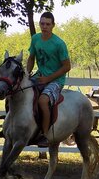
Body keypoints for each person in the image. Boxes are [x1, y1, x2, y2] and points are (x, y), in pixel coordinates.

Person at [27, 11, 71, 147]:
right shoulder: (35, 39)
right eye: (42, 23)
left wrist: (48, 79)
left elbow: (67, 67)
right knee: (18, 91)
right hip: (39, 76)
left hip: (56, 80)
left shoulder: (59, 44)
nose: (44, 26)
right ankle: (12, 127)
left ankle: (44, 135)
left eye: (47, 24)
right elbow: (31, 58)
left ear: (53, 25)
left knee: (42, 100)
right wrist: (26, 74)